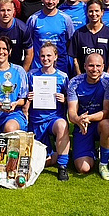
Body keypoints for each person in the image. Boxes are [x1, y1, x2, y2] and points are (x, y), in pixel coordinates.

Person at [66, 53, 109, 181]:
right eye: (91, 65)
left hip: (99, 123)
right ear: (85, 66)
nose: (94, 69)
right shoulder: (74, 82)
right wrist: (78, 120)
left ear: (103, 66)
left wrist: (89, 118)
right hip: (82, 125)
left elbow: (107, 112)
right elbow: (72, 113)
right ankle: (91, 151)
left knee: (108, 124)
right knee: (83, 168)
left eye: (98, 66)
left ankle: (103, 164)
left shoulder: (108, 81)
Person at [24, 42, 70, 173]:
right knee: (35, 161)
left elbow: (71, 101)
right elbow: (24, 101)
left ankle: (62, 166)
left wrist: (64, 100)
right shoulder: (32, 75)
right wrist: (29, 98)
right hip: (36, 120)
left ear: (56, 56)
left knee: (62, 125)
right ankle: (53, 156)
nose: (45, 59)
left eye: (49, 55)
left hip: (54, 119)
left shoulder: (63, 77)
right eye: (42, 56)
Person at [25, 0, 75, 75]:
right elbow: (28, 44)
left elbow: (70, 42)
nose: (50, 2)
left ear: (58, 0)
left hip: (60, 67)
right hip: (38, 68)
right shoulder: (34, 19)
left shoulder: (66, 19)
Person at [68, 0, 109, 75]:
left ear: (102, 12)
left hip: (103, 77)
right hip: (84, 77)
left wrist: (107, 78)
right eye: (91, 11)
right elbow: (75, 59)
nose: (94, 14)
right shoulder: (79, 33)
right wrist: (80, 77)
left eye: (97, 11)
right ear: (87, 13)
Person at [0, 0, 33, 68]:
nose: (6, 13)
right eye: (2, 10)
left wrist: (24, 72)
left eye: (8, 10)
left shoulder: (22, 29)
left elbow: (29, 53)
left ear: (13, 11)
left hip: (15, 68)